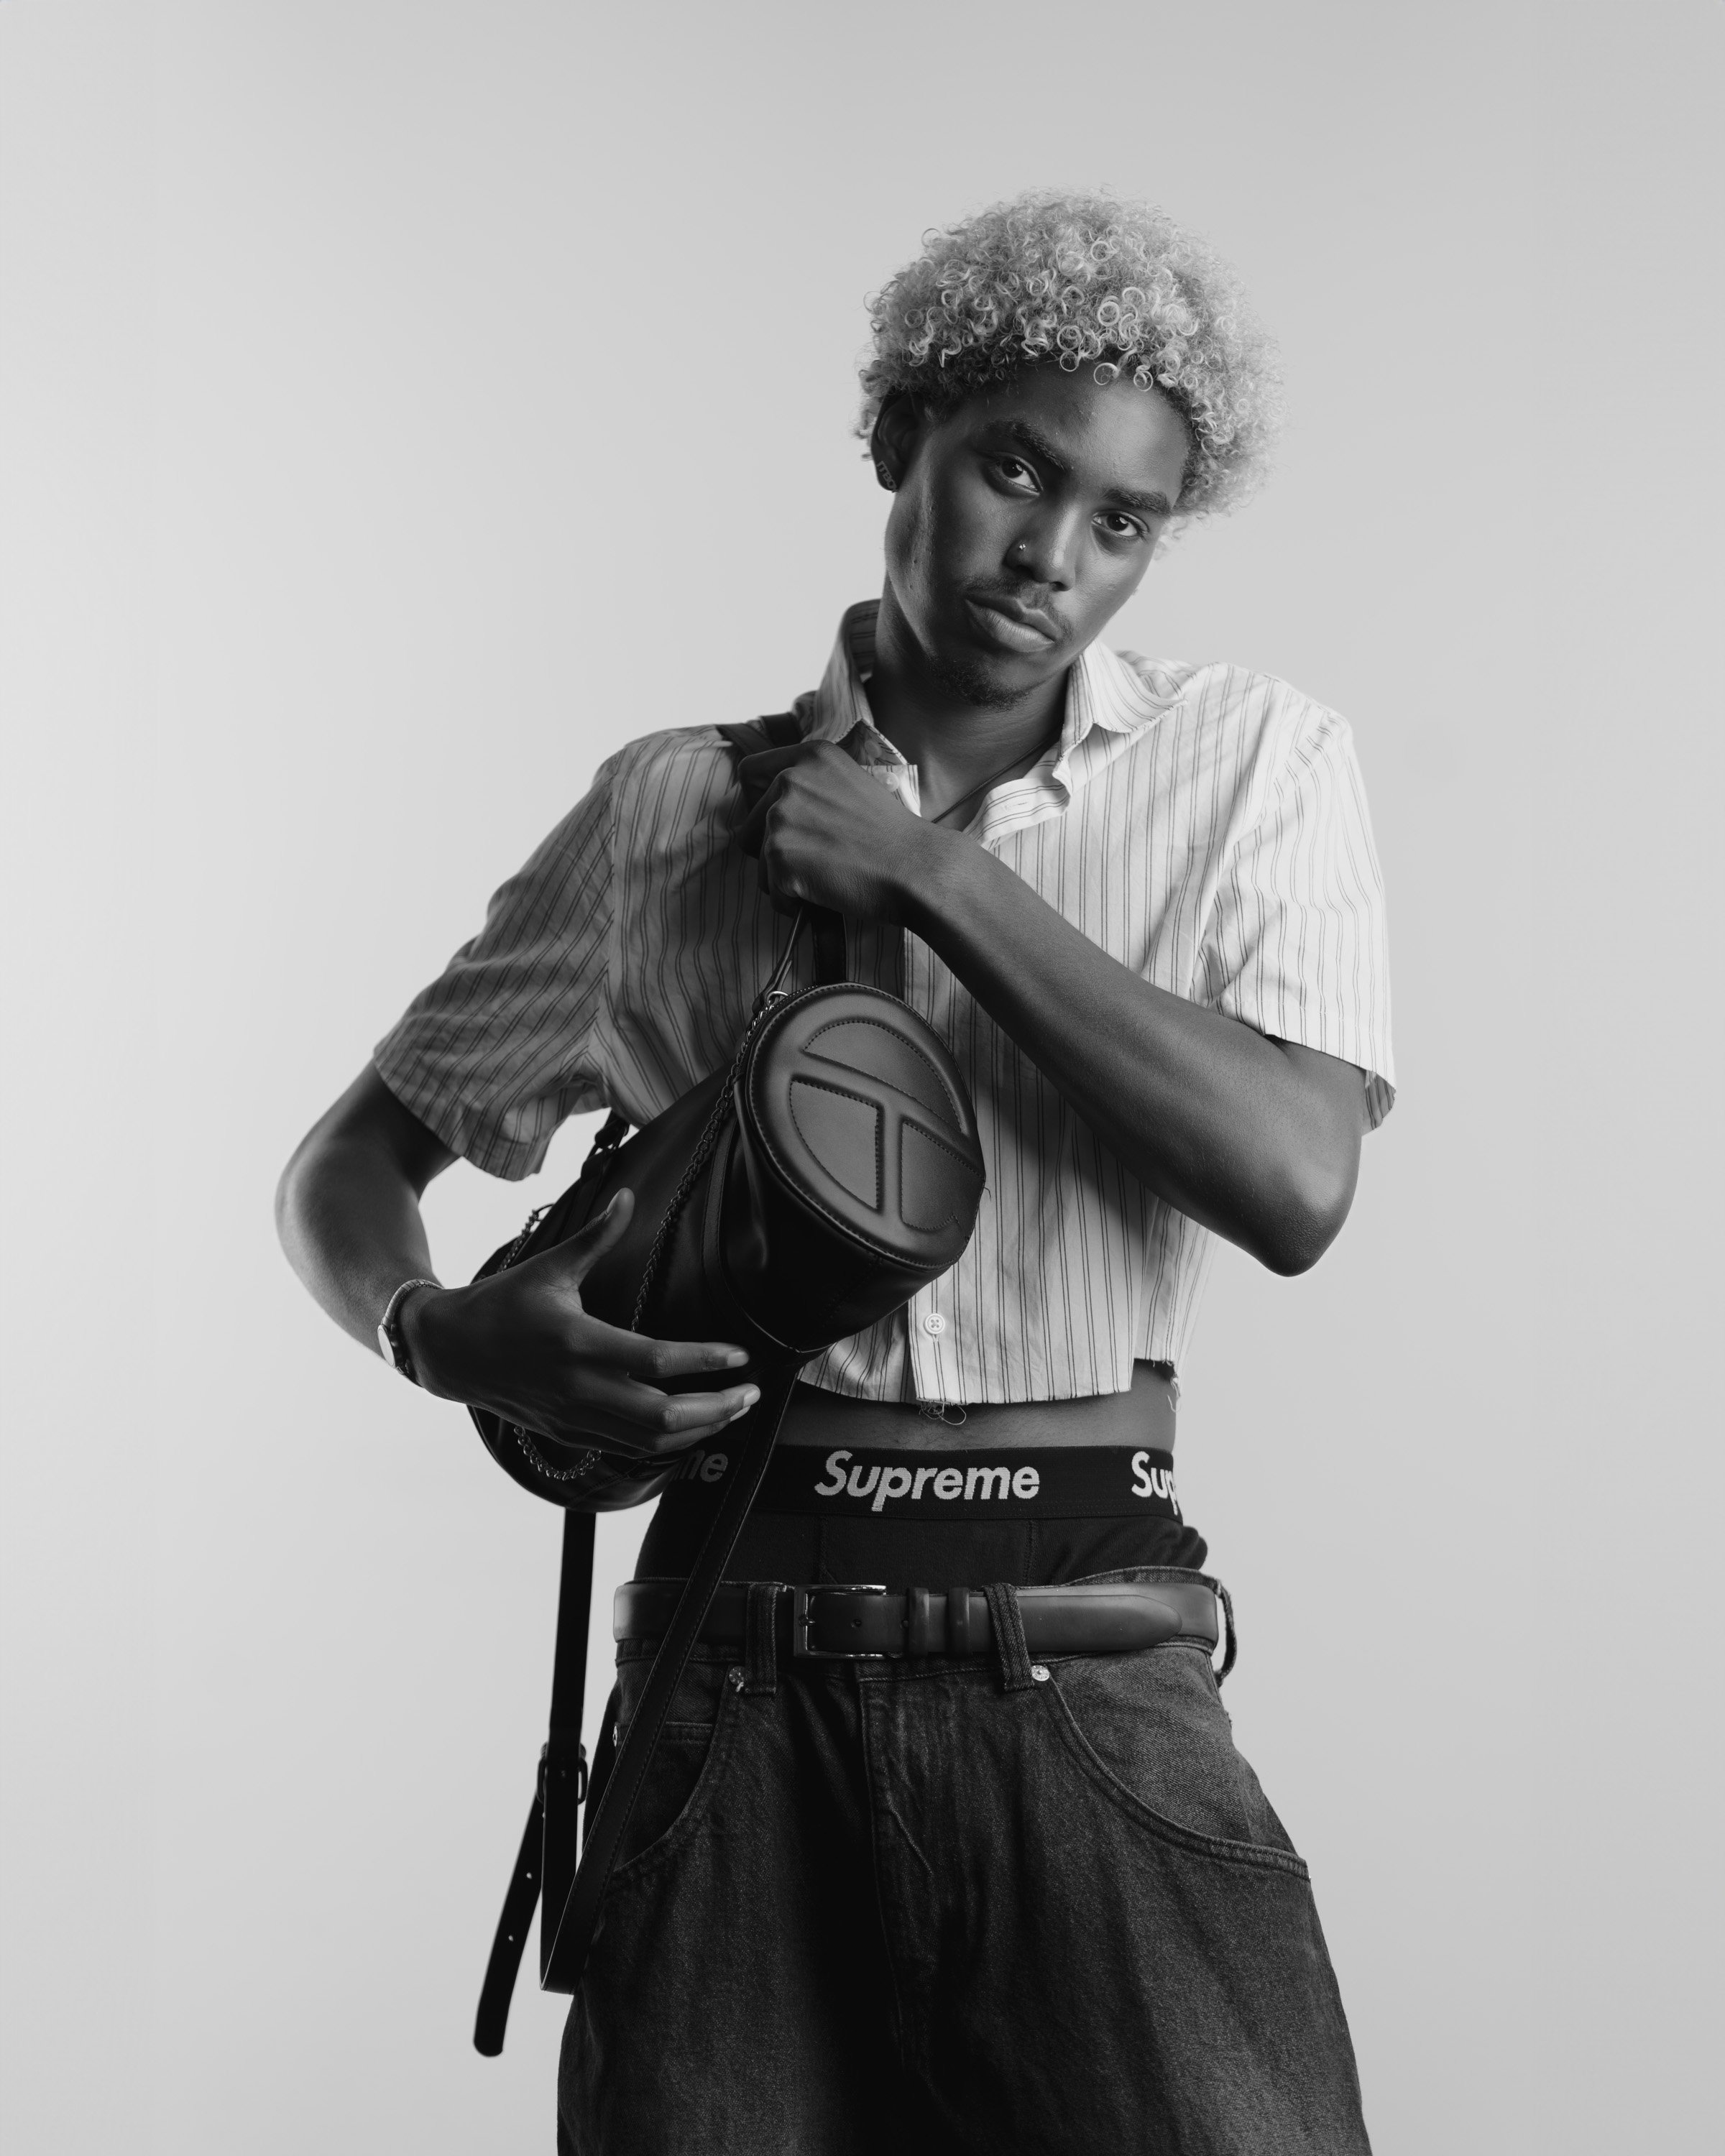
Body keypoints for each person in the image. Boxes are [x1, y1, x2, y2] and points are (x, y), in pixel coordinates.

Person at [277, 189, 1394, 2153]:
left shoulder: (1254, 763)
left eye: (1122, 521)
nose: (1051, 557)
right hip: (728, 1680)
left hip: (1090, 1667)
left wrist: (931, 878)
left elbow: (1299, 1183)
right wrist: (437, 1334)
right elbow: (348, 1165)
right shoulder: (670, 809)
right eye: (1015, 470)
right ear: (902, 441)